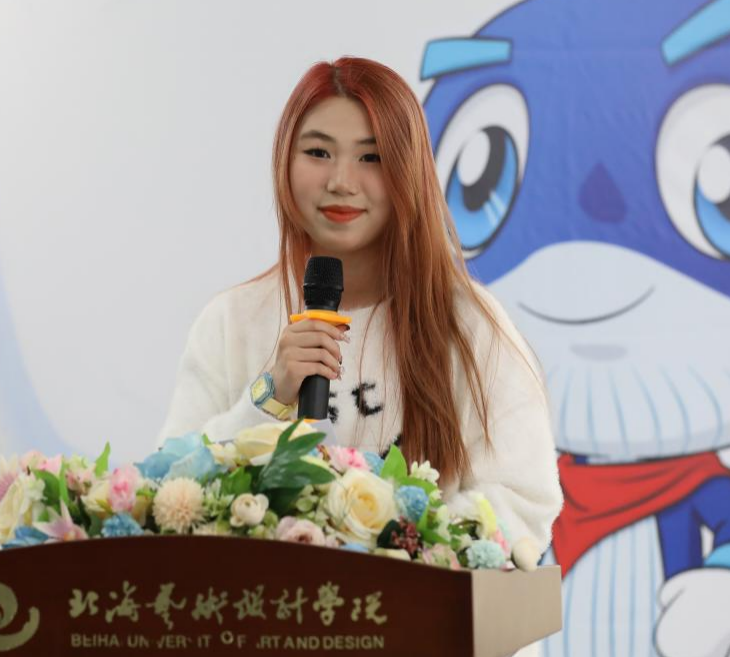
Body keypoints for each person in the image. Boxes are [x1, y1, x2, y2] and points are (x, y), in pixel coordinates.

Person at [158, 57, 561, 553]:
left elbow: (523, 500)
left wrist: (381, 546)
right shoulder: (232, 321)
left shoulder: (468, 322)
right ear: (284, 161)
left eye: (371, 157)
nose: (341, 181)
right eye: (318, 152)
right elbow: (167, 493)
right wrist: (268, 398)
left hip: (416, 601)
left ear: (408, 170)